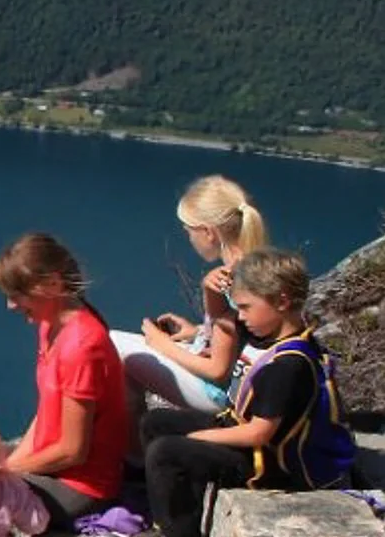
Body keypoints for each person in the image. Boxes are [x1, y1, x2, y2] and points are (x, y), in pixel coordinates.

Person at [128, 249, 356, 537]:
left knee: (166, 451)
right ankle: (174, 524)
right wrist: (209, 290)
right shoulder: (271, 335)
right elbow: (222, 319)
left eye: (246, 307)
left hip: (270, 465)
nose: (241, 316)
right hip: (247, 436)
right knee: (156, 423)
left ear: (280, 301)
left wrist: (199, 440)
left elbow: (259, 433)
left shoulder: (288, 365)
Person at [0, 233, 132, 526]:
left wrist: (4, 470)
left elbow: (72, 451)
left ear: (53, 284)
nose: (11, 305)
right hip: (47, 465)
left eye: (18, 294)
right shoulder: (49, 325)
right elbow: (47, 411)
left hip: (80, 487)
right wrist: (9, 463)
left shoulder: (82, 346)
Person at [112, 176, 268, 411]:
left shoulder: (232, 281)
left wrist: (162, 344)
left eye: (189, 231)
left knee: (111, 344)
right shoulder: (256, 265)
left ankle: (132, 440)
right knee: (119, 339)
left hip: (216, 395)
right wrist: (198, 332)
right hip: (240, 381)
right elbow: (243, 337)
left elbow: (218, 371)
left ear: (208, 232)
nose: (189, 238)